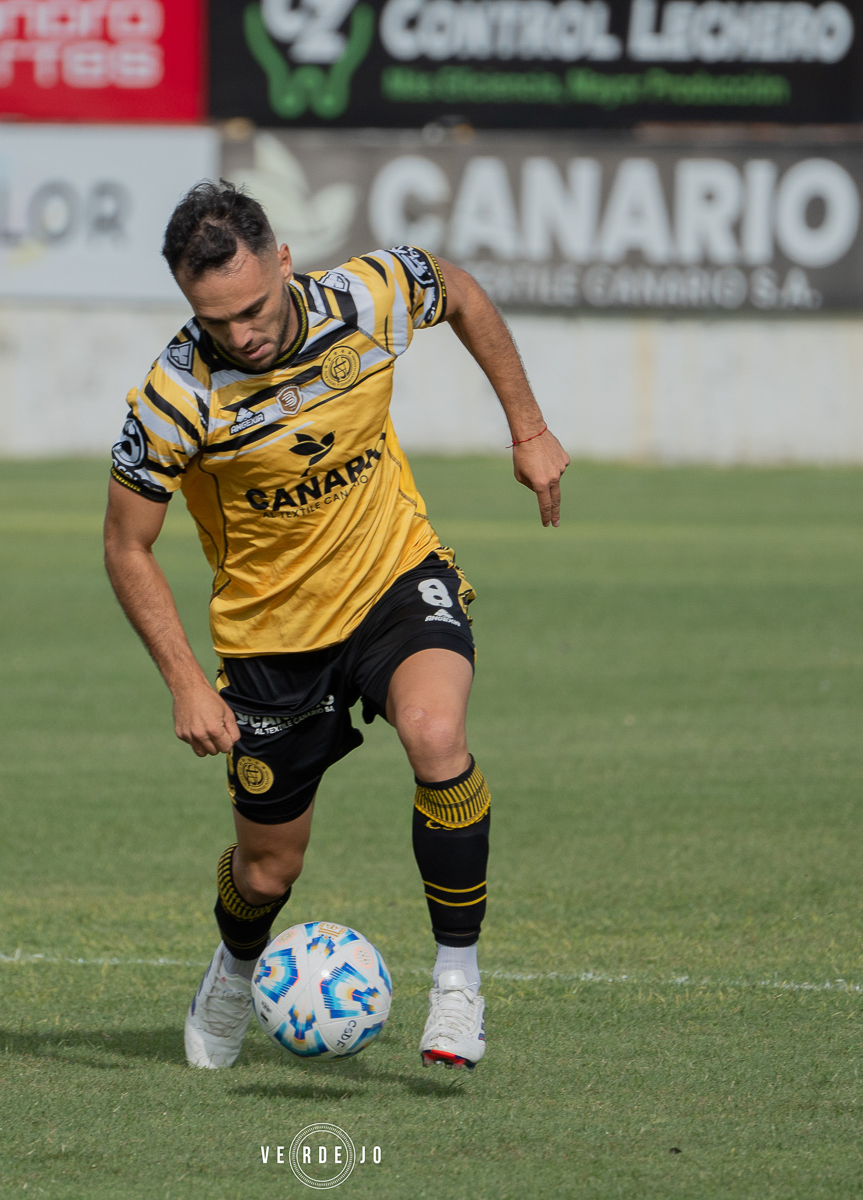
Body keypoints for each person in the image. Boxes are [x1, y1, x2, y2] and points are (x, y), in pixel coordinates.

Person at [103, 182, 568, 1070]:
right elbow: (127, 545)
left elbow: (461, 292)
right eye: (216, 319)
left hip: (394, 578)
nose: (242, 334)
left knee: (436, 733)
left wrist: (529, 427)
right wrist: (186, 681)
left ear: (284, 261)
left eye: (253, 308)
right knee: (268, 870)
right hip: (271, 638)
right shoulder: (175, 398)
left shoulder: (365, 296)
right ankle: (235, 967)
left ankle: (458, 984)